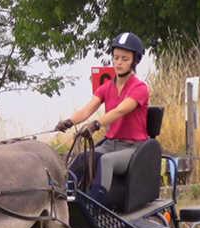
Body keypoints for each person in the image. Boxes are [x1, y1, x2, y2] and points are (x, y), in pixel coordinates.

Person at [55, 32, 150, 205]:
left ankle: (93, 207)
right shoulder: (106, 87)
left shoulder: (140, 88)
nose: (119, 62)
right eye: (116, 57)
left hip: (132, 147)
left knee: (106, 161)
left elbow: (120, 111)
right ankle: (63, 201)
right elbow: (86, 111)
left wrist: (96, 124)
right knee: (82, 158)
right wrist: (69, 122)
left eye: (125, 59)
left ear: (135, 61)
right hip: (109, 144)